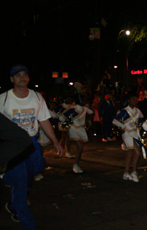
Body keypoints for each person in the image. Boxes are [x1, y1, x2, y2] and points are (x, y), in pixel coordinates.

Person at [0, 64, 63, 229]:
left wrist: (55, 141)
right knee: (20, 185)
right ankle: (28, 225)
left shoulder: (36, 97)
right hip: (14, 147)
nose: (22, 77)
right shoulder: (4, 99)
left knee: (30, 178)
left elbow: (43, 120)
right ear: (12, 79)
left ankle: (12, 204)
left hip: (32, 145)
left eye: (24, 74)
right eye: (18, 75)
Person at [112, 94, 144, 182]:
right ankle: (134, 172)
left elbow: (141, 118)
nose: (135, 101)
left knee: (130, 153)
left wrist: (138, 126)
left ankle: (126, 173)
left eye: (136, 100)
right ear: (129, 101)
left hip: (134, 133)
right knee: (137, 152)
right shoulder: (125, 111)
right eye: (133, 100)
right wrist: (124, 126)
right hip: (127, 134)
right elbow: (114, 121)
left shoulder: (138, 111)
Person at [60, 96, 93, 173]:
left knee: (80, 148)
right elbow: (62, 118)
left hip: (81, 128)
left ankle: (76, 164)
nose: (84, 101)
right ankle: (75, 165)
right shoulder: (73, 109)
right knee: (80, 147)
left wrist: (87, 120)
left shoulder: (84, 109)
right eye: (83, 100)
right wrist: (69, 121)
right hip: (73, 128)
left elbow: (92, 113)